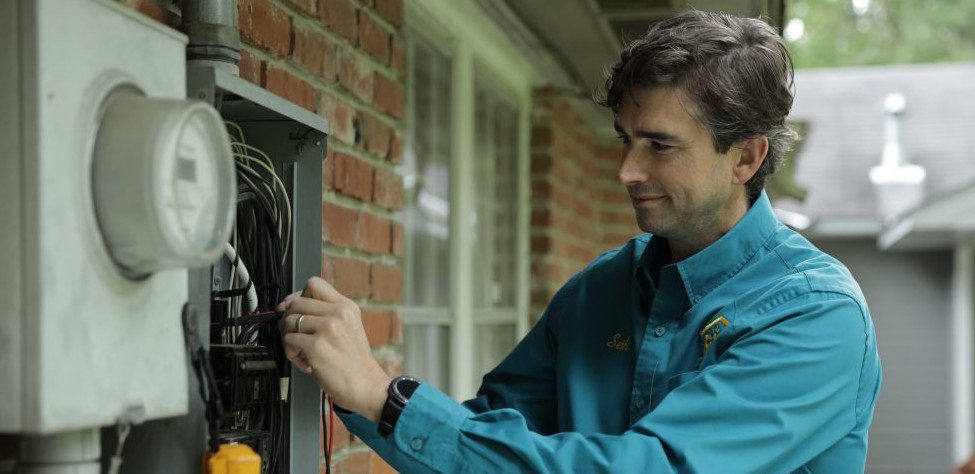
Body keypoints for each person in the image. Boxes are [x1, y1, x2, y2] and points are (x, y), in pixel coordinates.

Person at [278, 10, 882, 473]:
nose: (626, 171)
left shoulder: (815, 315)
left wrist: (386, 397)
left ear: (745, 157)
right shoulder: (599, 290)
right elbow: (480, 434)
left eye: (660, 145)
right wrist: (354, 387)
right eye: (624, 139)